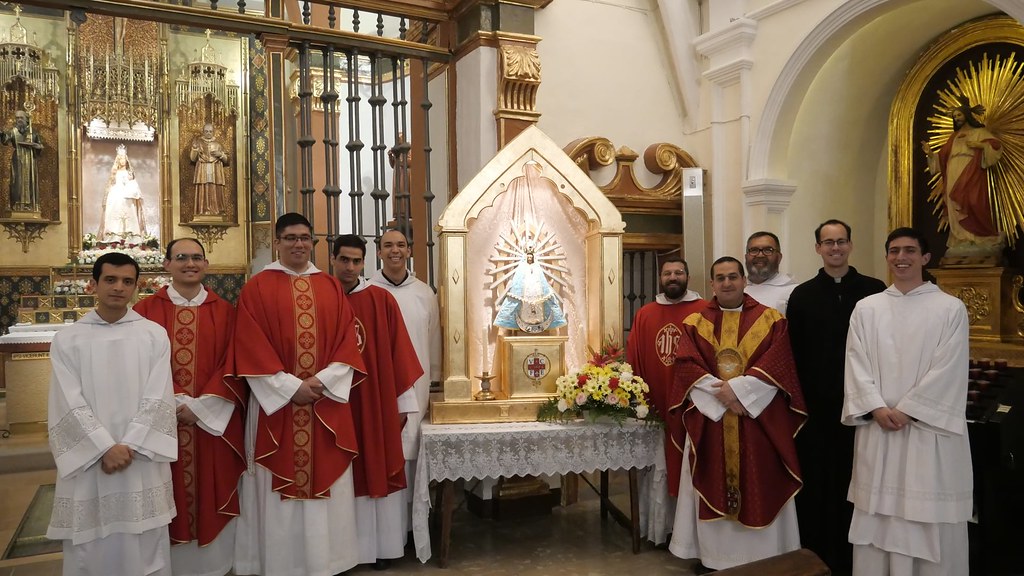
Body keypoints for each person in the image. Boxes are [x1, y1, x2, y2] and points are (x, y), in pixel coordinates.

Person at [229, 213, 367, 576]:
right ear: (277, 242)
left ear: (313, 242)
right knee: (275, 489)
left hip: (323, 403)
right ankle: (279, 563)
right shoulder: (257, 288)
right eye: (290, 237)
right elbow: (249, 346)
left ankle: (328, 561)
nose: (298, 244)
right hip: (276, 406)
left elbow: (346, 344)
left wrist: (319, 384)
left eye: (305, 237)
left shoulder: (330, 286)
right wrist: (291, 388)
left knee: (327, 478)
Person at [842, 227, 972, 576]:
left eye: (910, 251)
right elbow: (856, 362)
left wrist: (907, 410)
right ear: (886, 257)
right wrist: (876, 407)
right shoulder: (867, 309)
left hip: (927, 434)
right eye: (894, 251)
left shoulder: (950, 308)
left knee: (927, 515)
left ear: (925, 258)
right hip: (880, 429)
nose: (901, 257)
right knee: (878, 519)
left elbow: (950, 368)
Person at [668, 256, 805, 571]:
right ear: (712, 284)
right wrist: (726, 397)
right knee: (709, 474)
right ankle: (714, 558)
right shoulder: (695, 322)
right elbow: (687, 368)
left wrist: (740, 393)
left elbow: (779, 365)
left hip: (757, 422)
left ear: (745, 281)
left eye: (733, 277)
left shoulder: (772, 320)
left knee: (762, 480)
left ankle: (764, 557)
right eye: (720, 278)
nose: (727, 283)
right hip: (711, 422)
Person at [46, 252, 177, 576]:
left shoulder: (153, 335)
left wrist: (128, 446)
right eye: (110, 280)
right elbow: (67, 400)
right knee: (91, 549)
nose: (119, 287)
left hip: (140, 459)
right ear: (93, 284)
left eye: (127, 281)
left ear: (136, 287)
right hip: (93, 465)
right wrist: (105, 447)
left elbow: (158, 394)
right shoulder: (68, 339)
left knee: (145, 545)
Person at [133, 238, 245, 576]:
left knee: (213, 487)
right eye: (181, 258)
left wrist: (201, 407)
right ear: (167, 265)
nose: (190, 264)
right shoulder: (143, 313)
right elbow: (139, 367)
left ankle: (215, 566)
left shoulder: (226, 312)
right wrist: (177, 401)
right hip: (161, 423)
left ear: (206, 264)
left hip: (212, 423)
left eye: (197, 258)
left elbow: (234, 363)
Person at [787, 220, 885, 575]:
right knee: (819, 485)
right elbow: (793, 356)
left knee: (858, 482)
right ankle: (816, 557)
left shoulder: (875, 291)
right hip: (817, 410)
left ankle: (858, 558)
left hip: (864, 409)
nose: (835, 248)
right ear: (817, 248)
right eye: (827, 242)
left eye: (841, 241)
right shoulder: (802, 296)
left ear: (850, 245)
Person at [332, 234, 422, 569]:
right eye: (344, 260)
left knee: (376, 466)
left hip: (373, 399)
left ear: (365, 263)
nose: (350, 267)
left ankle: (379, 548)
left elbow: (399, 353)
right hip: (332, 402)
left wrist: (401, 402)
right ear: (333, 259)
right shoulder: (321, 298)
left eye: (356, 261)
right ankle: (341, 551)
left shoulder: (381, 300)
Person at [369, 228, 441, 514]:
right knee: (384, 449)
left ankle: (413, 525)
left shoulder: (424, 292)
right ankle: (387, 525)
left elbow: (434, 337)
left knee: (412, 452)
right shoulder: (368, 290)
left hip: (417, 382)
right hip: (381, 384)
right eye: (388, 245)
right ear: (379, 252)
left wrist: (433, 379)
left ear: (409, 251)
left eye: (400, 245)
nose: (394, 250)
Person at [625, 256, 705, 503]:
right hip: (657, 401)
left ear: (688, 278)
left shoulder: (704, 310)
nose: (673, 277)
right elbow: (635, 357)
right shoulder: (646, 313)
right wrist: (639, 400)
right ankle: (661, 528)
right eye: (667, 273)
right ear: (660, 278)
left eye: (678, 273)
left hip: (694, 403)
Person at [922, 96, 1003, 249]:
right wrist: (930, 154)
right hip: (953, 169)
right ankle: (961, 239)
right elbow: (942, 158)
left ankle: (979, 237)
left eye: (958, 115)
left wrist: (979, 145)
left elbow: (996, 146)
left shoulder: (980, 131)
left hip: (972, 169)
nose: (956, 118)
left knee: (973, 201)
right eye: (954, 116)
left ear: (966, 114)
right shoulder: (954, 136)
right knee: (954, 202)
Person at [98, 144, 146, 239]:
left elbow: (134, 186)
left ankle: (131, 236)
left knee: (129, 214)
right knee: (115, 214)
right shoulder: (115, 173)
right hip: (116, 197)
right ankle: (114, 236)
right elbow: (111, 186)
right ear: (117, 160)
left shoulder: (129, 173)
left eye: (124, 159)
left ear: (126, 160)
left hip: (127, 197)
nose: (122, 161)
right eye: (120, 159)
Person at [743, 231, 798, 314]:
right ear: (746, 257)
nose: (760, 255)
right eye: (754, 250)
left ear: (779, 257)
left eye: (768, 250)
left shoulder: (795, 292)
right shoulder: (734, 289)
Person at [1, 109, 42, 212]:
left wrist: (35, 145)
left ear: (26, 119)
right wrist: (1, 134)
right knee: (16, 181)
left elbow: (40, 146)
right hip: (17, 160)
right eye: (17, 118)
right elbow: (5, 140)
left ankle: (31, 205)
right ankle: (17, 205)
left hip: (30, 160)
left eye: (21, 118)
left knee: (30, 181)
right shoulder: (13, 131)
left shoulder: (33, 132)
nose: (19, 120)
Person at [190, 123, 230, 217]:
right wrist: (195, 149)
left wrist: (220, 155)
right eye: (206, 131)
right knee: (203, 187)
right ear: (203, 132)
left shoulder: (218, 144)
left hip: (215, 169)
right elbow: (192, 159)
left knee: (215, 188)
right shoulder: (199, 143)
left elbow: (227, 160)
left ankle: (217, 210)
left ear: (213, 132)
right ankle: (202, 210)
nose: (208, 133)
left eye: (210, 131)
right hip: (202, 169)